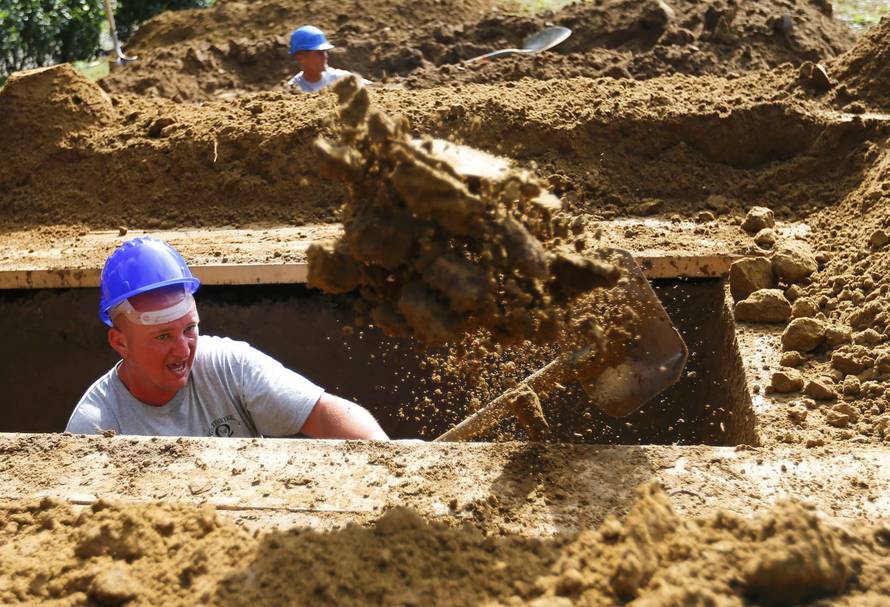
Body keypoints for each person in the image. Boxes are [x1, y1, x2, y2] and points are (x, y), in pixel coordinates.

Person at [66, 237, 389, 440]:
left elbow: (324, 413)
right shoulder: (96, 424)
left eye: (189, 329)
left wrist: (388, 459)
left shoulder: (227, 365)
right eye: (163, 335)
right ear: (120, 343)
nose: (183, 349)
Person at [287, 25, 367, 93]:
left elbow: (375, 91)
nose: (325, 56)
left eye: (324, 51)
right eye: (319, 53)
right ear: (300, 57)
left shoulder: (340, 79)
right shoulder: (292, 89)